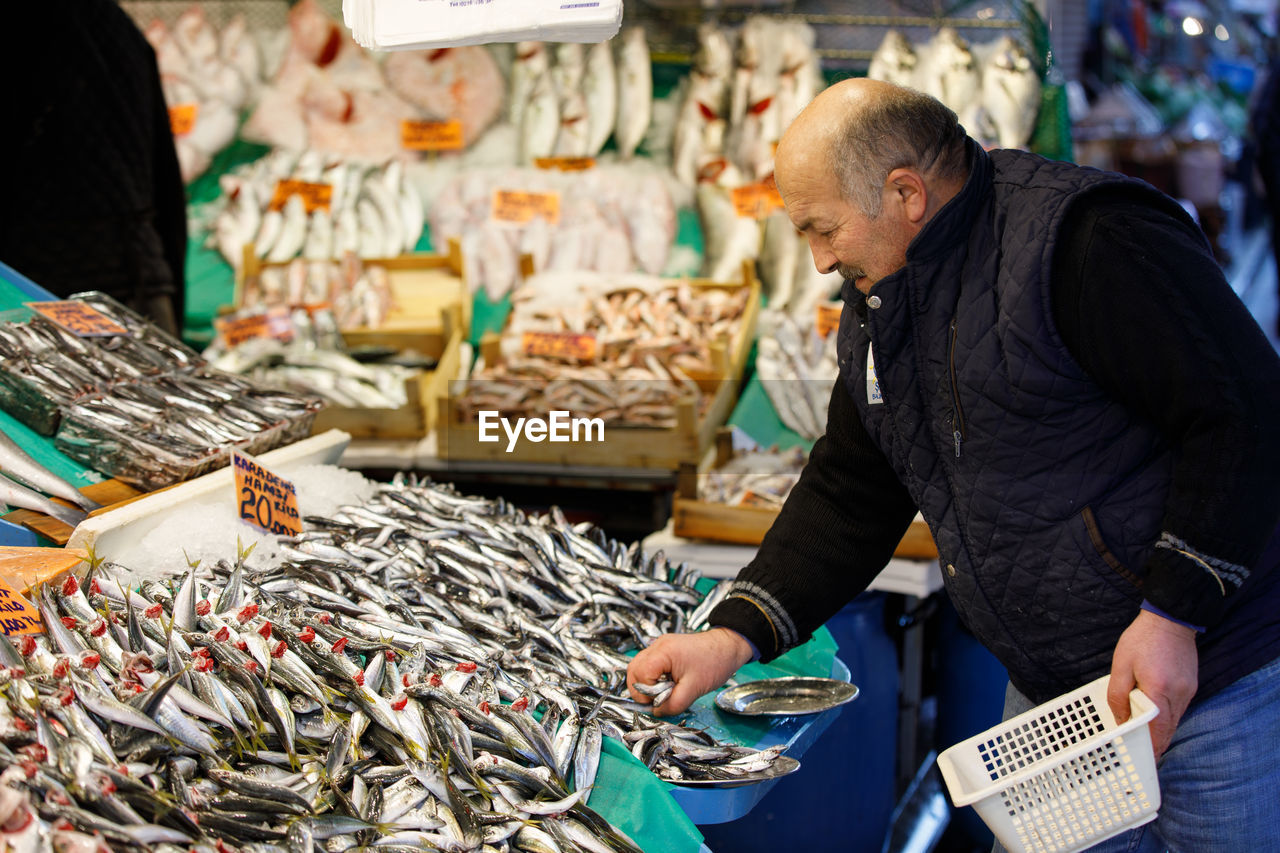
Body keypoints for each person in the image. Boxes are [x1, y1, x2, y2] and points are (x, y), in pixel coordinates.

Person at [628, 79, 1280, 852]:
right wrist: (730, 635)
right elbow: (851, 487)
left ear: (905, 193)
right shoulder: (883, 302)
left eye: (823, 228)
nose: (818, 259)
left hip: (1214, 679)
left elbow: (1246, 414)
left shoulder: (1089, 240)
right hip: (1059, 700)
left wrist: (1173, 612)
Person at [0, 0, 187, 337]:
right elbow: (166, 184)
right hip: (141, 281)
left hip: (42, 294)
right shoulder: (116, 24)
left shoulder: (25, 22)